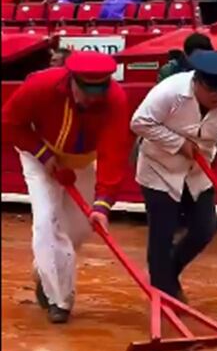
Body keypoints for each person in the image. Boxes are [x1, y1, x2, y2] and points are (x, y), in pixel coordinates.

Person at [0, 52, 132, 323]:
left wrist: (103, 203)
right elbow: (9, 123)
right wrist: (44, 156)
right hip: (40, 155)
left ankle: (45, 267)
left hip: (83, 161)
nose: (94, 99)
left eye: (100, 92)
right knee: (47, 222)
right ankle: (59, 299)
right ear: (72, 81)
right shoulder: (40, 86)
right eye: (87, 92)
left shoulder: (115, 100)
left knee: (80, 229)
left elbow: (113, 153)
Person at [130, 51, 217, 302]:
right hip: (159, 167)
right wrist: (178, 143)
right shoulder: (169, 91)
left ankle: (166, 275)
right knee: (163, 231)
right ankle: (165, 295)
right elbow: (139, 123)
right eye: (213, 93)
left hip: (198, 171)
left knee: (204, 228)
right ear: (197, 83)